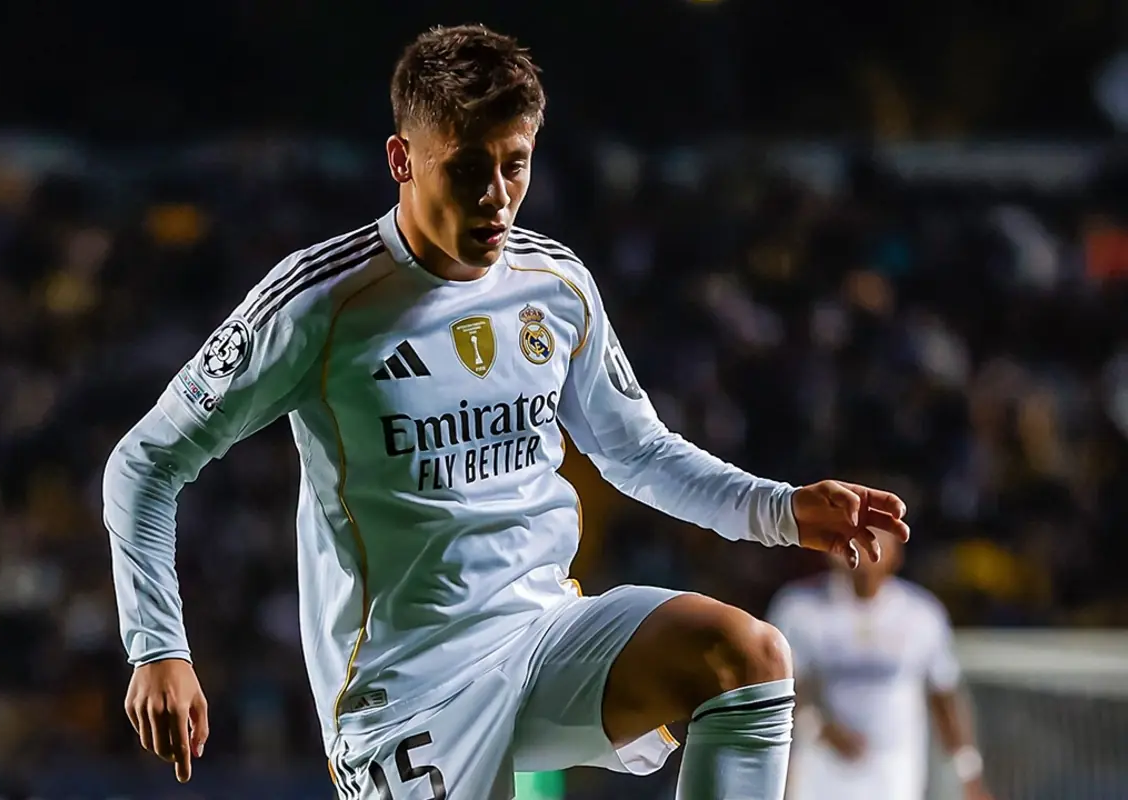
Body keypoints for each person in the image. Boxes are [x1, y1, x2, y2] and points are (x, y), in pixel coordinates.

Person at [103, 24, 910, 799]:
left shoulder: (555, 288)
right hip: (403, 694)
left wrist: (778, 508)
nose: (498, 198)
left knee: (745, 654)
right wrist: (159, 647)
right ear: (403, 160)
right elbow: (145, 464)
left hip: (544, 636)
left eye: (515, 166)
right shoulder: (320, 303)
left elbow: (635, 449)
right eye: (467, 169)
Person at [768, 529, 992, 800]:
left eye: (872, 544)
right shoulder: (800, 608)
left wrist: (967, 772)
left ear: (896, 554)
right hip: (822, 765)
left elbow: (943, 695)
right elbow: (783, 687)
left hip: (893, 766)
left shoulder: (921, 614)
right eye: (854, 543)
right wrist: (819, 727)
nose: (862, 554)